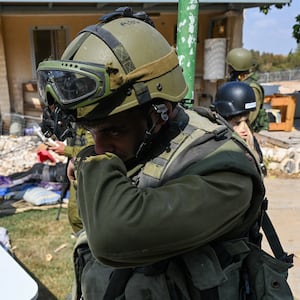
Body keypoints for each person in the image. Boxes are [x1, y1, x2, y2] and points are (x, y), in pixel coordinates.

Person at [37, 8, 267, 300]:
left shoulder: (223, 172)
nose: (99, 147)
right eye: (92, 132)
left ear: (161, 113)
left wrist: (90, 163)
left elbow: (112, 237)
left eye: (113, 131)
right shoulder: (142, 137)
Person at [41, 98, 94, 233]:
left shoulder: (87, 119)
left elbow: (94, 149)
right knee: (74, 215)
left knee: (78, 215)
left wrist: (66, 151)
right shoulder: (72, 120)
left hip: (88, 172)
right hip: (76, 167)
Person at [211, 81, 267, 176]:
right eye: (237, 123)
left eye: (246, 122)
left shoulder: (252, 143)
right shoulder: (213, 145)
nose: (244, 129)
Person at [226, 47, 269, 133]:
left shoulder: (252, 88)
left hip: (246, 132)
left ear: (237, 68)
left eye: (230, 67)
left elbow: (250, 118)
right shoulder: (237, 84)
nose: (228, 70)